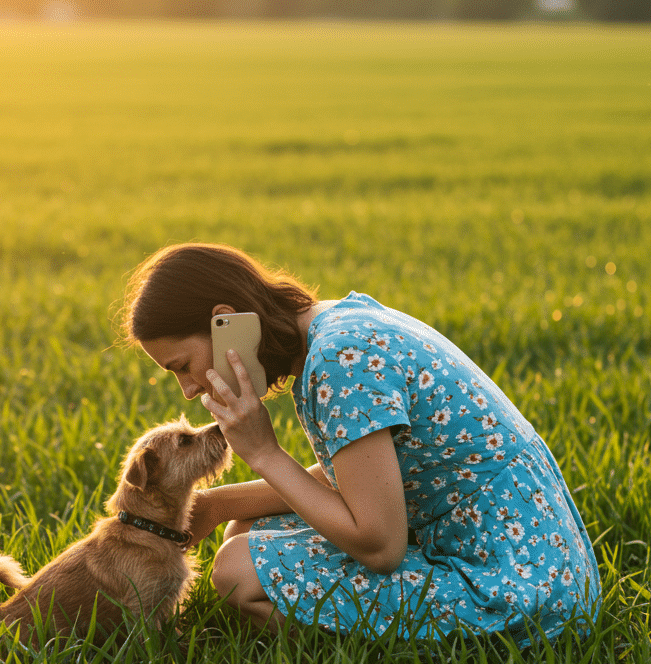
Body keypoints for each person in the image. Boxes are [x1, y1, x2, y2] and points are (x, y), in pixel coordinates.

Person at [124, 243, 600, 643]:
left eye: (181, 366)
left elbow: (380, 546)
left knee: (237, 571)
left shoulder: (341, 363)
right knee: (247, 528)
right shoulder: (338, 323)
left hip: (518, 591)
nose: (188, 389)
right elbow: (357, 478)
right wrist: (214, 506)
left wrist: (264, 452)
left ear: (224, 321)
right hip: (540, 564)